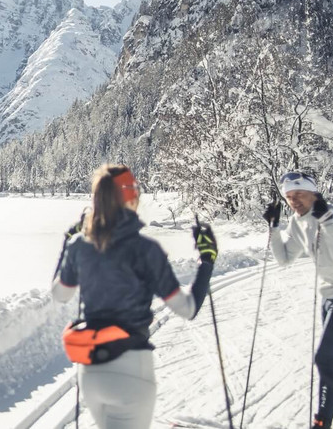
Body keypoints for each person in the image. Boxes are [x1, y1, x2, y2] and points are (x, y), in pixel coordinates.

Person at [51, 164, 216, 429]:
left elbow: (60, 294)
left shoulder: (79, 246)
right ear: (132, 198)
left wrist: (67, 245)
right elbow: (187, 308)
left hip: (90, 373)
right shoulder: (146, 250)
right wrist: (206, 261)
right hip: (131, 370)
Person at [265, 172, 333, 429]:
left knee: (326, 360)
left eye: (300, 195)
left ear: (314, 193)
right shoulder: (296, 221)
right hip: (330, 295)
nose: (294, 201)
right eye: (290, 197)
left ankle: (321, 424)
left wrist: (327, 222)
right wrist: (273, 229)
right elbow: (284, 258)